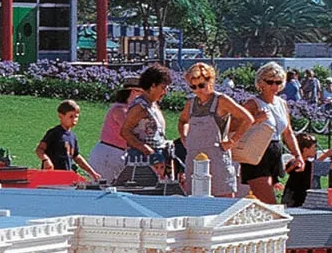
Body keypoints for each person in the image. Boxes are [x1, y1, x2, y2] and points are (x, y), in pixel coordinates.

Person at [178, 63, 254, 198]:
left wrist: (232, 141)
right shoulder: (190, 103)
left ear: (210, 81)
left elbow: (247, 119)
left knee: (223, 199)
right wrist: (185, 138)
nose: (198, 90)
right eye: (193, 87)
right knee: (195, 198)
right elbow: (182, 121)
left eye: (201, 85)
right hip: (194, 158)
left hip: (217, 158)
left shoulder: (221, 100)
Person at [238, 62, 303, 204]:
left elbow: (288, 132)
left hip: (274, 152)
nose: (274, 86)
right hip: (256, 153)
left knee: (265, 203)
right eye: (269, 82)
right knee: (269, 203)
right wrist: (254, 119)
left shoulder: (281, 103)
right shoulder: (252, 103)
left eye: (278, 82)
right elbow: (233, 127)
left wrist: (298, 155)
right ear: (261, 82)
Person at [119, 65, 175, 180]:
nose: (164, 92)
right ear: (153, 85)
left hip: (157, 158)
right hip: (141, 159)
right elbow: (125, 131)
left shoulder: (153, 105)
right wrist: (147, 150)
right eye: (163, 88)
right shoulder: (140, 106)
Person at [35, 99, 101, 179]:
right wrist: (46, 160)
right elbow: (39, 149)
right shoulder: (54, 133)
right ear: (61, 116)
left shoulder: (73, 136)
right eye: (71, 116)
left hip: (65, 177)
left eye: (76, 117)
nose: (74, 119)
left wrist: (92, 172)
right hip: (51, 176)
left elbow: (77, 157)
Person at [89, 79, 140, 181]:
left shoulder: (128, 109)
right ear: (134, 92)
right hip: (109, 153)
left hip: (117, 153)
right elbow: (130, 130)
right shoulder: (120, 109)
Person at [282, 134, 318, 208]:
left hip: (304, 195)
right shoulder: (295, 163)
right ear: (305, 150)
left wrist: (326, 155)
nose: (316, 150)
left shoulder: (309, 164)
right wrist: (294, 165)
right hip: (293, 197)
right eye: (314, 147)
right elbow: (287, 171)